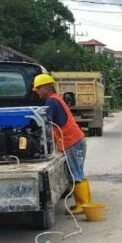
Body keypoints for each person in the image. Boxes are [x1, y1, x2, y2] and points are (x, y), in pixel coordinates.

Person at [33, 73, 90, 214]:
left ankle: (84, 205)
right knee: (77, 172)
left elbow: (47, 123)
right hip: (75, 140)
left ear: (46, 87)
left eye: (38, 88)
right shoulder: (56, 99)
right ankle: (82, 204)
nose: (37, 92)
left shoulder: (51, 102)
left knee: (76, 173)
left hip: (72, 141)